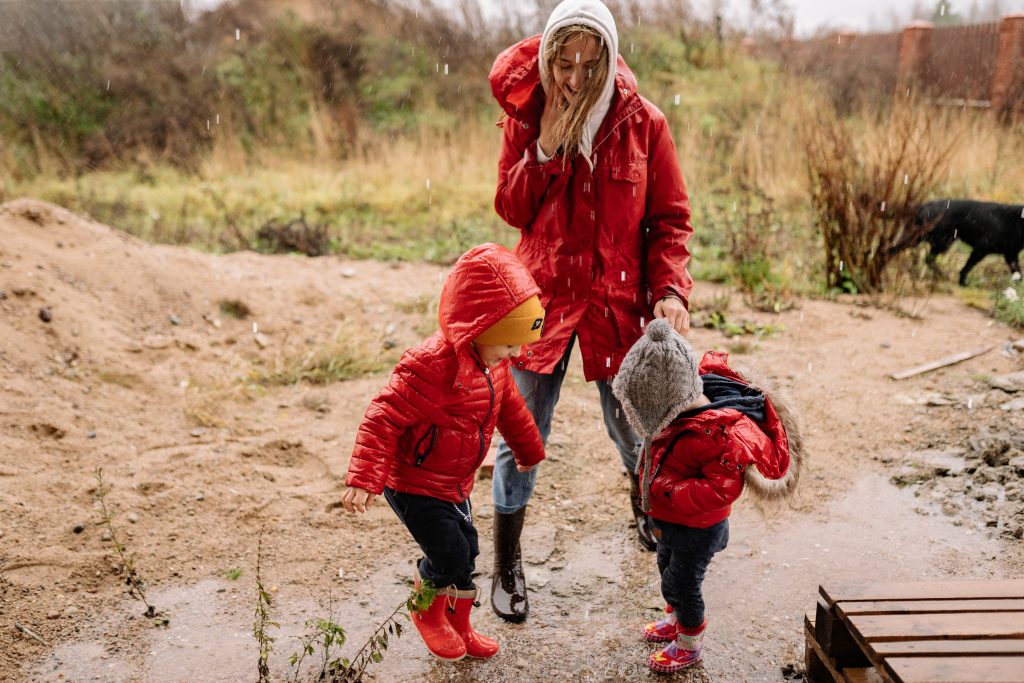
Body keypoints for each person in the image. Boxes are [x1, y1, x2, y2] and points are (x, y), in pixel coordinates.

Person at [487, 0, 695, 621]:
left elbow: (671, 220)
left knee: (635, 426)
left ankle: (647, 512)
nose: (576, 79)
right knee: (520, 436)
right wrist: (544, 150)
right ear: (549, 58)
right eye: (564, 63)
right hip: (542, 301)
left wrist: (671, 289)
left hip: (618, 302)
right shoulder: (526, 117)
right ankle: (506, 563)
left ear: (608, 57)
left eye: (589, 62)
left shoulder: (644, 123)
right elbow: (510, 208)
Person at [341, 243, 547, 662]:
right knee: (448, 552)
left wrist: (528, 447)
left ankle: (460, 626)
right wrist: (364, 477)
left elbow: (511, 408)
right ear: (479, 328)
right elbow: (383, 416)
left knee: (467, 553)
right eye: (508, 344)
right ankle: (427, 614)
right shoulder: (431, 366)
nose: (516, 354)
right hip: (414, 481)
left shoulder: (495, 365)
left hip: (455, 481)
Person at [611, 319, 803, 673]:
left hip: (699, 529)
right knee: (666, 567)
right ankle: (676, 620)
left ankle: (689, 641)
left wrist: (666, 489)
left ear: (671, 398)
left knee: (682, 583)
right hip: (672, 520)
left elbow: (723, 488)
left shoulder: (716, 434)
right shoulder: (676, 420)